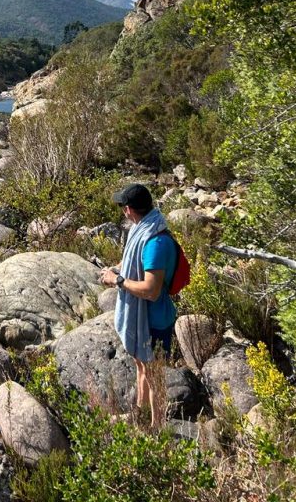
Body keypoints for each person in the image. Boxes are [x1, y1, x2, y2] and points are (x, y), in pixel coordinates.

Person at [100, 183, 177, 429]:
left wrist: (119, 281)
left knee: (154, 375)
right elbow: (132, 261)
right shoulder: (143, 229)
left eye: (123, 206)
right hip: (144, 318)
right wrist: (116, 270)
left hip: (154, 321)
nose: (122, 210)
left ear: (129, 210)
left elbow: (151, 291)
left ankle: (156, 429)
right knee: (141, 364)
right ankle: (140, 414)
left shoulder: (156, 243)